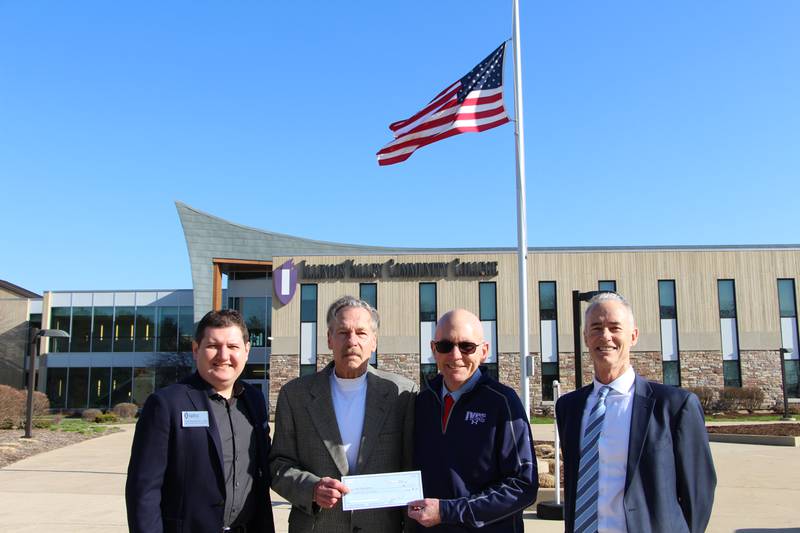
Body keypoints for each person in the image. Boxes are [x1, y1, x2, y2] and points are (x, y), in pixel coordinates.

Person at [556, 292, 716, 533]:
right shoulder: (569, 407)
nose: (605, 336)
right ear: (586, 337)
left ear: (633, 336)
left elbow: (699, 492)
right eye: (597, 328)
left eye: (614, 327)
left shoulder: (674, 406)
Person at [269, 295, 417, 533]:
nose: (352, 341)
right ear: (329, 339)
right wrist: (312, 488)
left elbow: (411, 464)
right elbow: (278, 465)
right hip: (317, 526)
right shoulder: (295, 395)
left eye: (361, 333)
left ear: (374, 341)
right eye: (343, 332)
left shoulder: (402, 394)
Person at [125, 309, 275, 533]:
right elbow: (143, 491)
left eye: (233, 347)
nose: (223, 356)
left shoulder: (254, 401)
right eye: (213, 346)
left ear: (246, 351)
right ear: (196, 350)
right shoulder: (166, 405)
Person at [408, 308, 538, 531]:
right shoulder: (421, 403)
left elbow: (522, 486)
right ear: (433, 349)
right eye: (445, 346)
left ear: (484, 350)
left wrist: (449, 511)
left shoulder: (503, 402)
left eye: (466, 346)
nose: (455, 355)